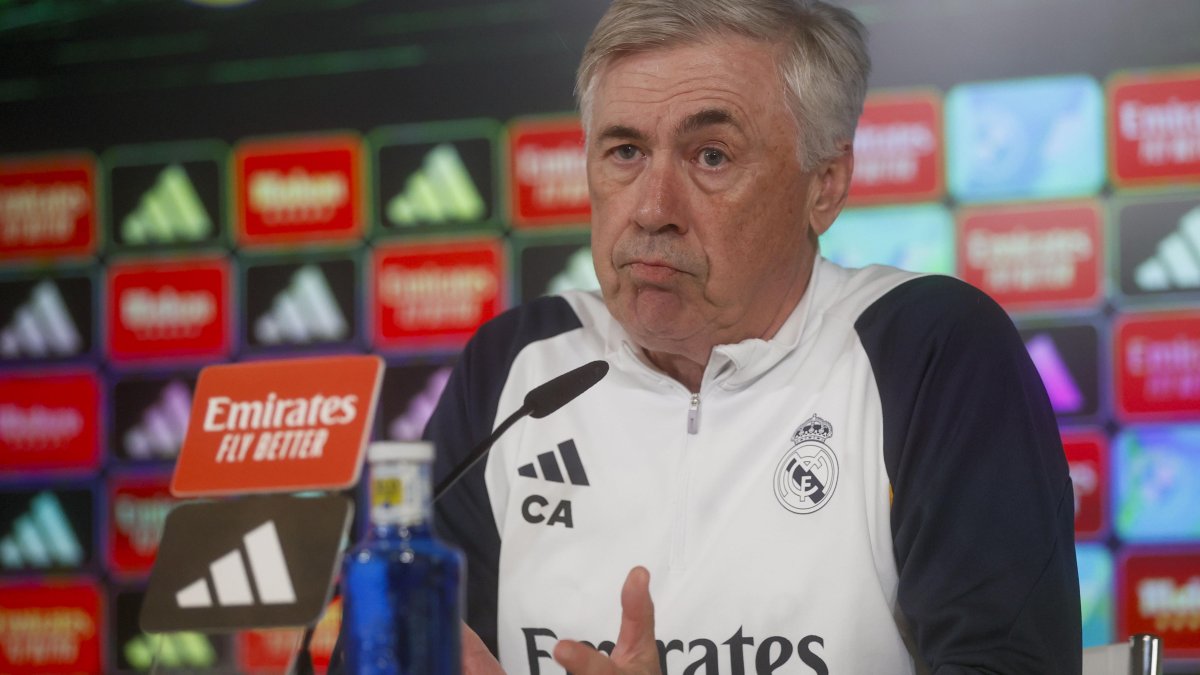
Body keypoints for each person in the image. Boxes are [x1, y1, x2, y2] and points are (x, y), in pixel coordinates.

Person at [426, 0, 1082, 673]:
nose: (653, 209)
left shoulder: (928, 351)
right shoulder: (517, 368)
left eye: (711, 156)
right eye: (626, 152)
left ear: (825, 185)